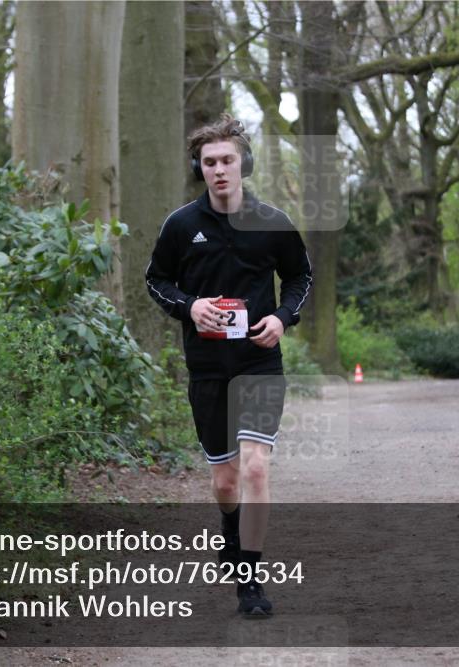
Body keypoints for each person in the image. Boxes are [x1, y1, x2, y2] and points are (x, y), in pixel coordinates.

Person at [144, 113, 313, 617]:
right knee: (225, 481)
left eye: (228, 161)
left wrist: (284, 319)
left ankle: (251, 582)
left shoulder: (273, 222)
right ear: (199, 167)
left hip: (260, 363)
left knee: (257, 468)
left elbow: (301, 277)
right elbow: (156, 281)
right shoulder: (181, 225)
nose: (220, 170)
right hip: (207, 369)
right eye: (210, 162)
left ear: (244, 165)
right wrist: (189, 306)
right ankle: (229, 527)